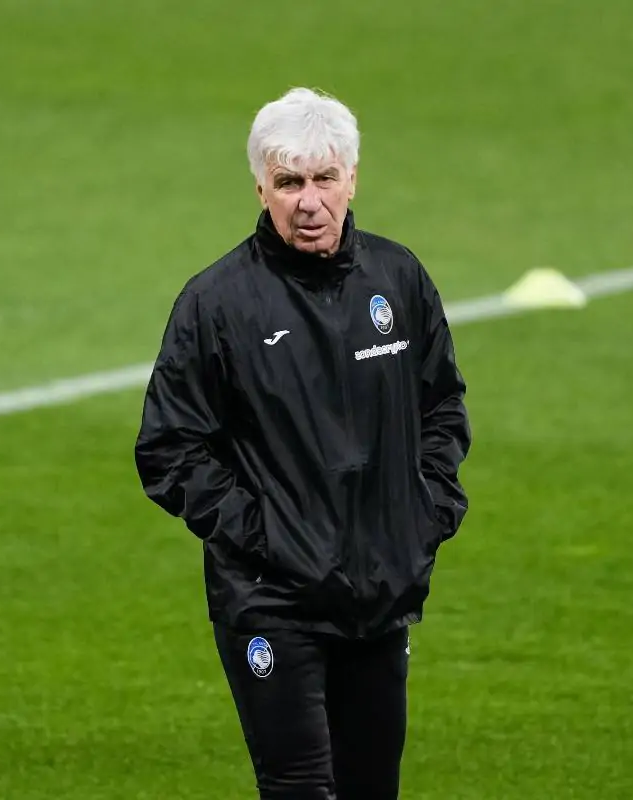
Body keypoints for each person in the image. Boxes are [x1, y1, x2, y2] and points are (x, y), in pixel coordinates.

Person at [134, 87, 471, 799]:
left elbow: (441, 404)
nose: (308, 201)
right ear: (261, 187)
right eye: (289, 182)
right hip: (271, 600)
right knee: (299, 789)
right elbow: (168, 449)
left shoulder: (397, 279)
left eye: (323, 178)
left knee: (370, 788)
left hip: (379, 592)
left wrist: (425, 511)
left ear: (352, 177)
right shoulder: (216, 304)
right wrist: (267, 535)